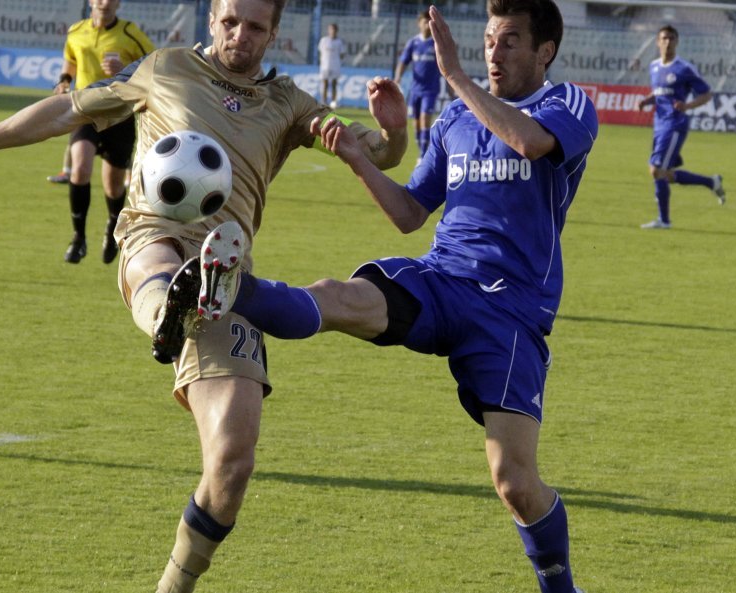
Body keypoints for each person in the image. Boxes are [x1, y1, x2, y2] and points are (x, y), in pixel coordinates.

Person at [0, 0, 407, 591]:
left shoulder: (291, 104)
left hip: (226, 271)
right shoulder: (162, 68)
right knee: (158, 270)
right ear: (213, 18)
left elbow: (377, 153)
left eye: (256, 26)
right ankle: (169, 311)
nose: (241, 35)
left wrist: (393, 129)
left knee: (233, 464)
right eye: (231, 21)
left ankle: (173, 586)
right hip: (154, 232)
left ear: (274, 33)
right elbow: (65, 110)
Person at [172, 1, 596, 591]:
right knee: (341, 299)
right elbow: (407, 214)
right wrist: (357, 160)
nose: (494, 52)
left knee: (516, 483)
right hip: (441, 281)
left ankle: (561, 587)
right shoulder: (455, 121)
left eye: (511, 42)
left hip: (511, 311)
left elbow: (527, 143)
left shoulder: (567, 104)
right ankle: (221, 287)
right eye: (491, 40)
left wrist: (457, 77)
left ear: (545, 51)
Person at [53, 0, 154, 264]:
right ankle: (78, 238)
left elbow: (154, 67)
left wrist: (124, 72)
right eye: (99, 0)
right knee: (80, 169)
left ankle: (112, 228)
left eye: (110, 0)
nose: (104, 4)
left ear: (118, 4)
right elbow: (71, 61)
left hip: (118, 113)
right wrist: (64, 80)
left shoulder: (130, 33)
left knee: (112, 185)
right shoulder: (76, 30)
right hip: (85, 110)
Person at [635, 24, 725, 230]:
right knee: (664, 173)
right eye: (664, 38)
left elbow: (707, 94)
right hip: (659, 125)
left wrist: (688, 105)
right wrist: (646, 101)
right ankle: (711, 183)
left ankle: (664, 221)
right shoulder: (654, 66)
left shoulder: (684, 68)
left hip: (675, 125)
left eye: (671, 38)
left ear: (677, 42)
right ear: (658, 42)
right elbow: (659, 92)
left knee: (656, 170)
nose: (667, 42)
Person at [394, 11, 443, 163]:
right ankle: (422, 150)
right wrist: (398, 77)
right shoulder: (413, 43)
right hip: (415, 90)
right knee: (416, 123)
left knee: (425, 119)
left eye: (429, 20)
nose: (427, 23)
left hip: (430, 89)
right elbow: (403, 62)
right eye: (424, 20)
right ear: (419, 23)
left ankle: (422, 155)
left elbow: (444, 63)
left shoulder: (436, 43)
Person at [317, 22, 344, 109]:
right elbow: (320, 52)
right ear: (328, 30)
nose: (332, 31)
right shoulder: (324, 40)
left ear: (337, 31)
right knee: (325, 83)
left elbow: (342, 54)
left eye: (334, 29)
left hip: (335, 65)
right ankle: (324, 102)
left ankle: (333, 102)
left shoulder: (339, 42)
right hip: (325, 65)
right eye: (331, 29)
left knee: (334, 83)